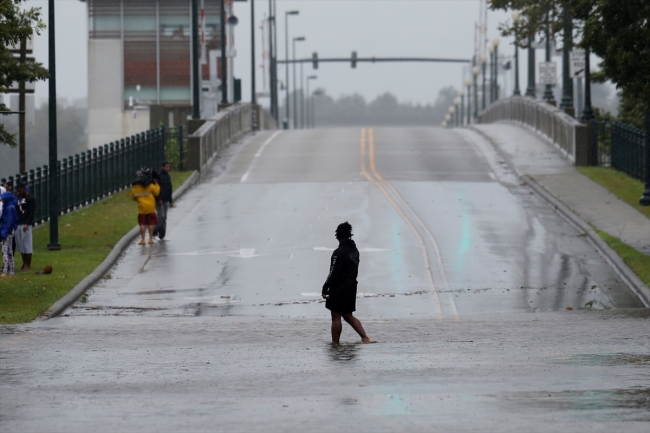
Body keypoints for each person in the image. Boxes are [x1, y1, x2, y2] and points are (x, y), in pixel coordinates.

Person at [322, 222, 374, 344]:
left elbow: (333, 272)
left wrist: (325, 287)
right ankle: (365, 337)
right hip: (351, 287)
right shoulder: (354, 251)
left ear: (338, 236)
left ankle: (335, 344)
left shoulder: (338, 252)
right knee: (348, 315)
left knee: (336, 316)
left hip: (339, 287)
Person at [130, 170, 160, 245]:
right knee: (151, 223)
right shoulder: (149, 185)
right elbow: (156, 193)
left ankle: (143, 240)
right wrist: (157, 185)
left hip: (142, 208)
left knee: (142, 224)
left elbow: (132, 197)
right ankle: (150, 239)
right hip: (150, 207)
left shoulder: (135, 187)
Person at [15, 183, 35, 271]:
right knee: (21, 245)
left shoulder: (30, 198)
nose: (18, 192)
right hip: (18, 223)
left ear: (23, 189)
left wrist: (27, 223)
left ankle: (28, 264)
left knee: (27, 244)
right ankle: (24, 264)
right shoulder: (19, 198)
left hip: (25, 224)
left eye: (19, 190)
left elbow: (31, 212)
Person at [154, 161, 174, 241]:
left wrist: (171, 201)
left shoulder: (167, 176)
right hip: (160, 200)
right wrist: (159, 199)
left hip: (166, 199)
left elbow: (169, 189)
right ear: (162, 167)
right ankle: (154, 232)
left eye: (169, 167)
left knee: (164, 217)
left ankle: (162, 235)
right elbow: (156, 189)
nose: (168, 168)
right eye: (166, 167)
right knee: (161, 216)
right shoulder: (159, 176)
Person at [0, 190, 18, 277]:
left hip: (6, 232)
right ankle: (11, 270)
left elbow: (8, 222)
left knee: (5, 252)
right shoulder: (11, 207)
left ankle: (5, 270)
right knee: (10, 251)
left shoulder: (8, 208)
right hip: (9, 232)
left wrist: (4, 232)